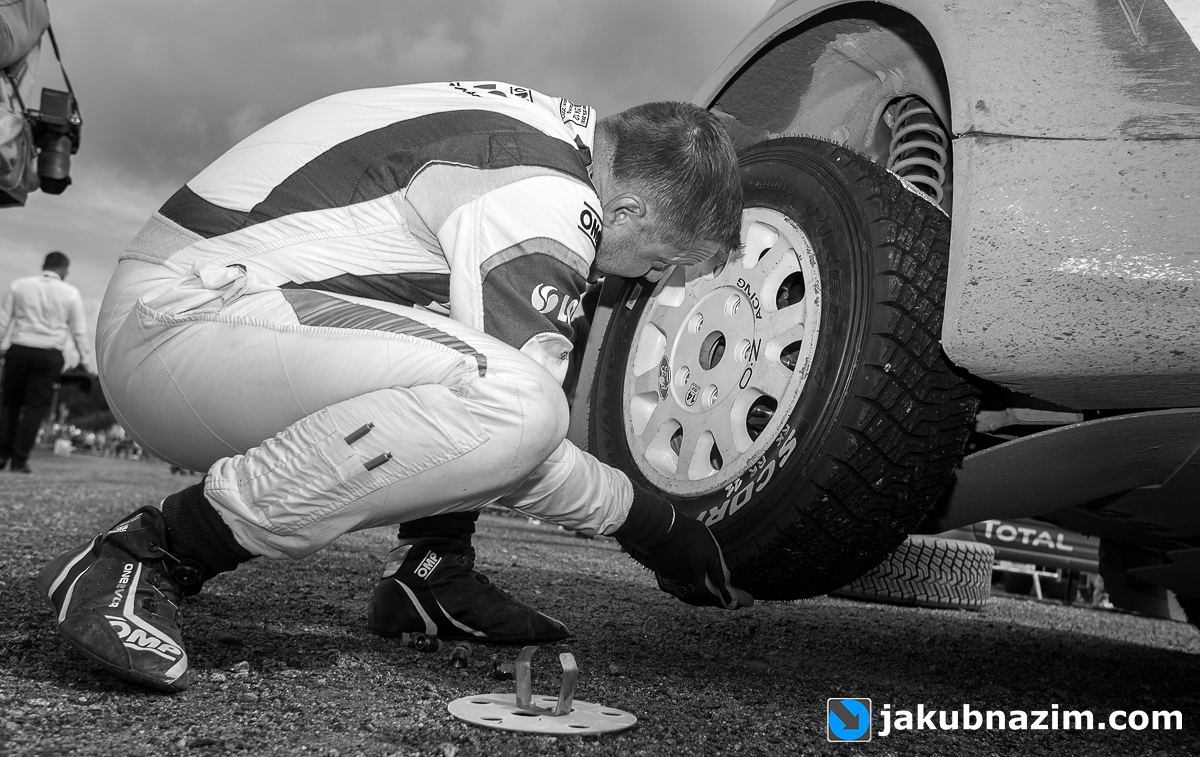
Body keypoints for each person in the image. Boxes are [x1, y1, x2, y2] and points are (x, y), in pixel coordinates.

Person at [36, 81, 750, 694]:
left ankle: (430, 570)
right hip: (180, 328)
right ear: (629, 213)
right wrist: (649, 522)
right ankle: (150, 553)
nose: (645, 281)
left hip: (202, 314)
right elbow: (518, 432)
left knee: (469, 365)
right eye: (662, 261)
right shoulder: (551, 196)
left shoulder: (549, 134)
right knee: (517, 403)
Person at [0, 251, 95, 472]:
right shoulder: (71, 293)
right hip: (49, 354)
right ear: (65, 270)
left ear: (43, 265)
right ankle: (19, 459)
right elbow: (79, 331)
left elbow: (4, 320)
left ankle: (1, 455)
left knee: (10, 403)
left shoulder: (19, 285)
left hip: (19, 348)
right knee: (35, 408)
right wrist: (84, 360)